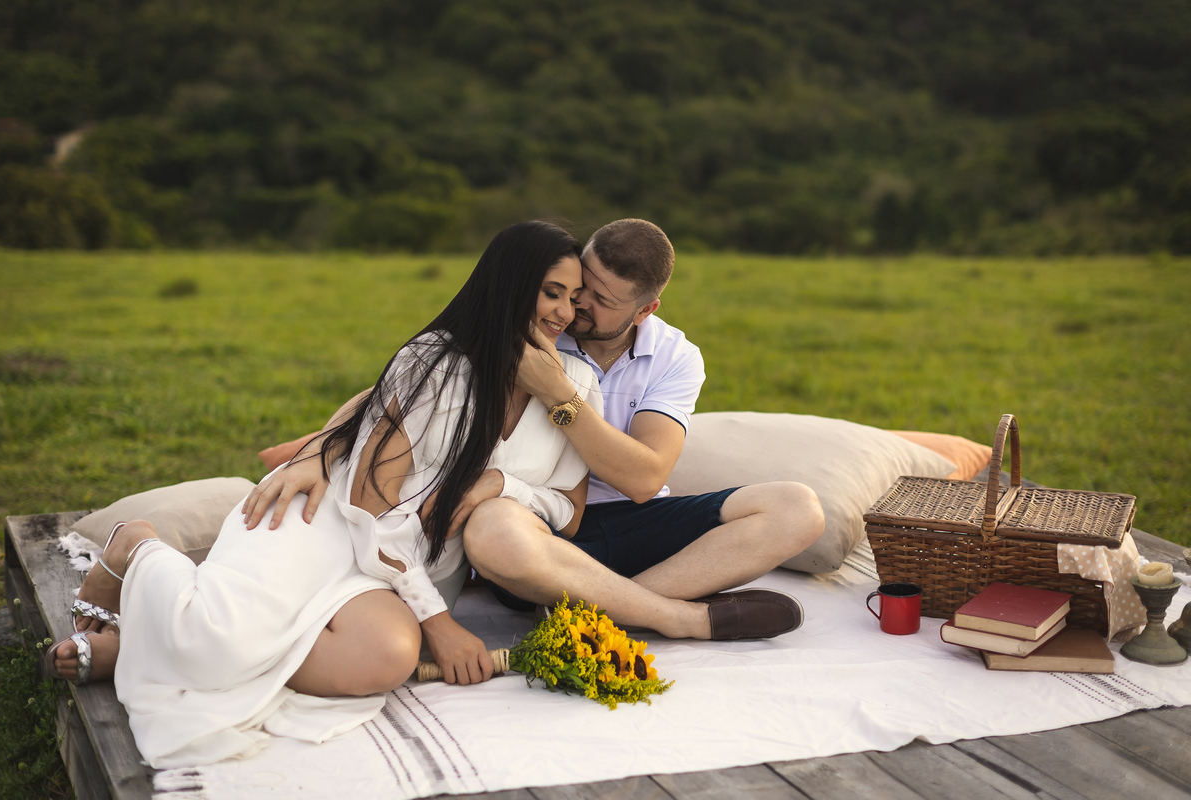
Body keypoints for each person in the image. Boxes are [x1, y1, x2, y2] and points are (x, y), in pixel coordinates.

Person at [45, 220, 603, 768]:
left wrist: (501, 485)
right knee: (224, 635)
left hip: (406, 568)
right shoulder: (434, 360)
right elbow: (368, 500)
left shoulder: (576, 387)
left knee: (381, 660)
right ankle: (135, 548)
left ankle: (154, 642)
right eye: (551, 292)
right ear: (509, 284)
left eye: (574, 298)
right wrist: (437, 621)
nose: (563, 311)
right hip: (329, 527)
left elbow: (570, 510)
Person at [248, 219, 824, 641]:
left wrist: (559, 394)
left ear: (643, 311)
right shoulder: (538, 317)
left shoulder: (673, 356)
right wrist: (316, 453)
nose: (576, 309)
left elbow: (645, 479)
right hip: (529, 531)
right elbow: (396, 392)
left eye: (599, 301)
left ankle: (603, 612)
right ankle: (671, 617)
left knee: (797, 508)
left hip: (620, 523)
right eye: (579, 287)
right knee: (495, 526)